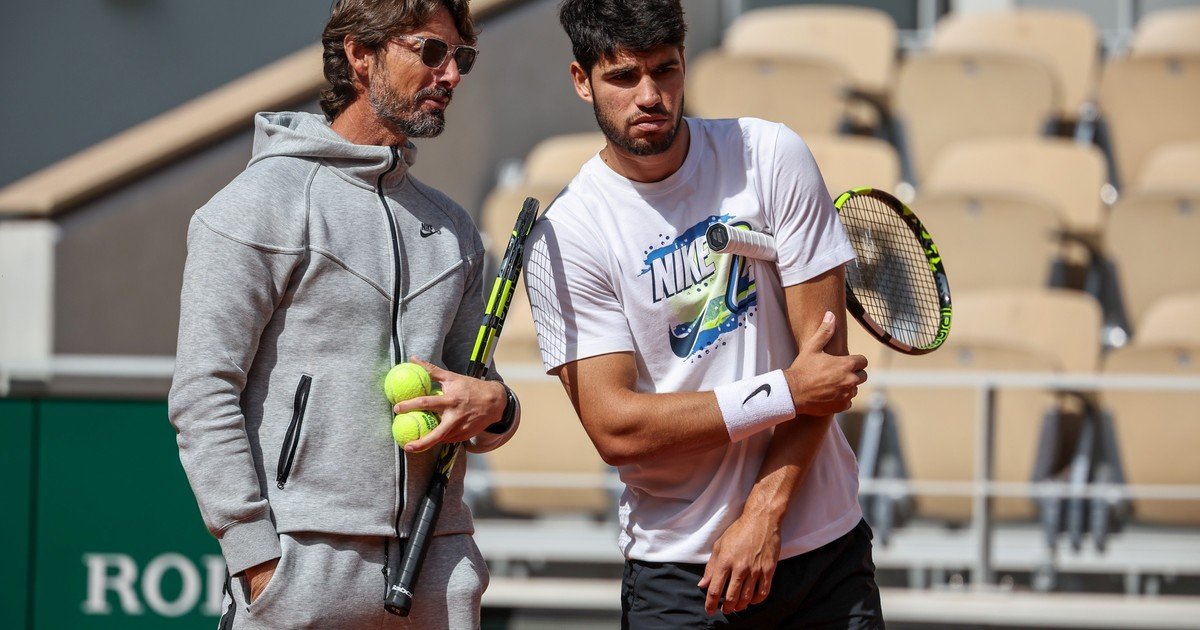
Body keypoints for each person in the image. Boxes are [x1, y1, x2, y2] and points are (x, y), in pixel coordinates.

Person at [522, 0, 882, 626]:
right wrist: (782, 391)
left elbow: (820, 373)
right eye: (623, 76)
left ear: (686, 63)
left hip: (824, 550)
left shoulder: (770, 154)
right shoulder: (569, 233)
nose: (650, 95)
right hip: (681, 572)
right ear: (582, 81)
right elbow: (617, 428)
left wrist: (762, 515)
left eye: (665, 70)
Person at [167, 1, 520, 628]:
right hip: (299, 571)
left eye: (460, 57)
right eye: (430, 52)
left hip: (435, 569)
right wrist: (256, 562)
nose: (452, 74)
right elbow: (202, 394)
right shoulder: (256, 205)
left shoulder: (456, 230)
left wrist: (496, 407)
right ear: (360, 53)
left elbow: (476, 391)